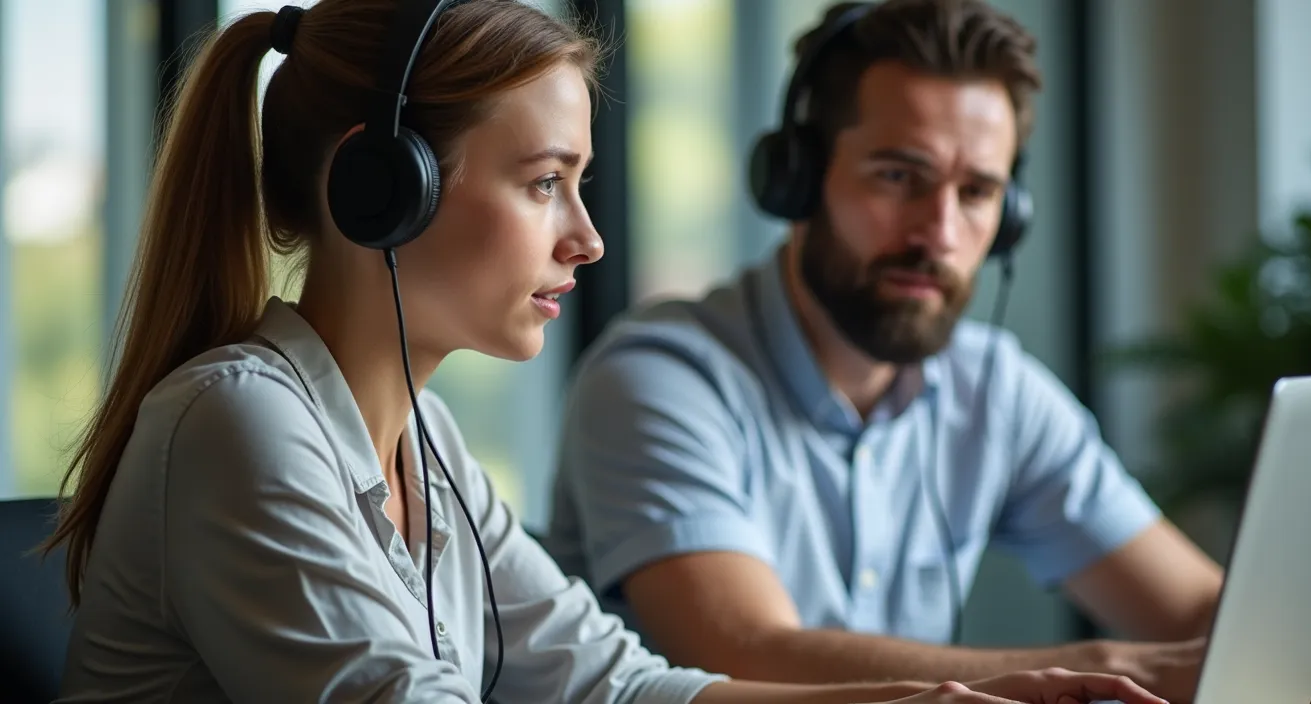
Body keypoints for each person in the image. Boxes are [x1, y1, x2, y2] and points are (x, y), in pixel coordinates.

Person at [37, 1, 1171, 703]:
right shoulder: (241, 422)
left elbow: (612, 681)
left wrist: (919, 698)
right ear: (376, 189)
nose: (587, 236)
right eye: (544, 183)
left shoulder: (421, 440)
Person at [542, 1, 1311, 703]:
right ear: (797, 177)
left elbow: (1195, 607)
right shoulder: (658, 378)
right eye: (898, 176)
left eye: (977, 191)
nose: (940, 234)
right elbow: (744, 651)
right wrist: (1123, 667)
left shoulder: (992, 388)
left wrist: (1289, 635)